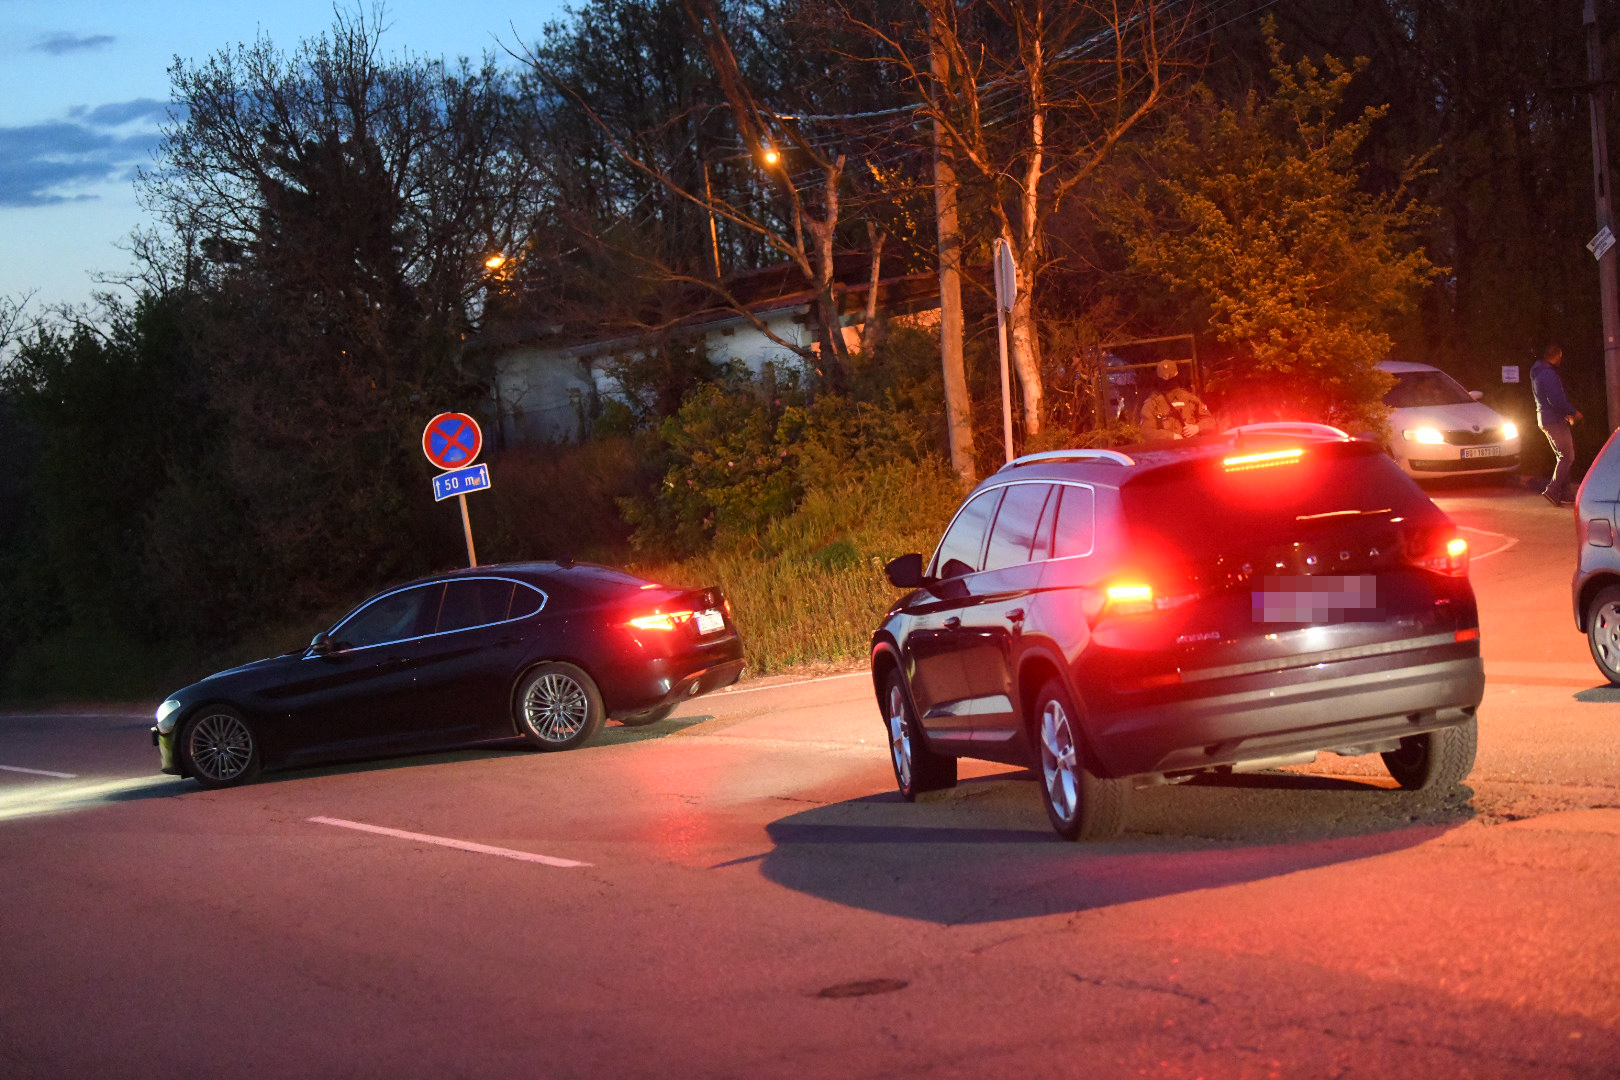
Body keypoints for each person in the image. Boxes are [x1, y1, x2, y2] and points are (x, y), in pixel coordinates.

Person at [1531, 344, 1581, 506]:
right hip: (1554, 420)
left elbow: (1549, 399)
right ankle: (1552, 490)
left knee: (1562, 457)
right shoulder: (1548, 374)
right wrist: (1572, 412)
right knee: (1568, 456)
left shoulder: (1538, 372)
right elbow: (1556, 399)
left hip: (1545, 419)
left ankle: (1565, 493)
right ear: (1557, 356)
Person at [1139, 359, 1217, 440]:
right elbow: (1146, 432)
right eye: (1164, 377)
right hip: (1167, 450)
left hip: (1191, 448)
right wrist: (1171, 437)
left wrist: (1196, 428)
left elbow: (1210, 421)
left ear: (1176, 374)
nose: (1167, 379)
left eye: (1170, 376)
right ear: (1159, 377)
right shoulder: (1152, 403)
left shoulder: (1189, 398)